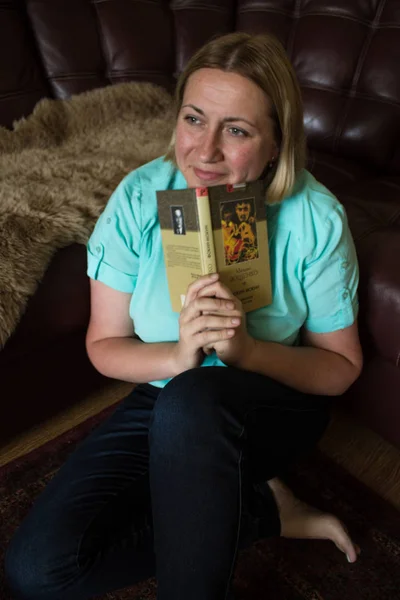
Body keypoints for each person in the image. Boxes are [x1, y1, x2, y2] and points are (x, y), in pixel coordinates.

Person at [5, 31, 362, 600]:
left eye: (238, 130)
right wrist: (176, 356)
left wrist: (246, 351)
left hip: (270, 405)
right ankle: (260, 511)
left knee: (196, 401)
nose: (205, 151)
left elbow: (340, 366)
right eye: (194, 119)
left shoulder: (315, 217)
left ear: (277, 143)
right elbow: (104, 344)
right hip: (165, 396)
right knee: (38, 569)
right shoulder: (139, 197)